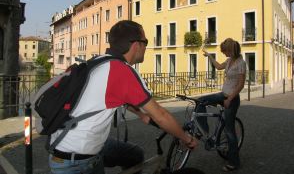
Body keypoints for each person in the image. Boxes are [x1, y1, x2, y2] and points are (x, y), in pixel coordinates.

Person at [48, 20, 198, 174]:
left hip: (62, 144)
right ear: (136, 45)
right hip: (77, 162)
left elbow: (114, 95)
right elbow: (160, 115)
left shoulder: (98, 61)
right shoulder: (121, 70)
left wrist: (140, 113)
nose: (146, 46)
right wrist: (186, 139)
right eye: (145, 42)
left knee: (134, 155)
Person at [196, 38, 246, 172]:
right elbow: (218, 66)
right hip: (223, 94)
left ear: (231, 50)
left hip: (232, 98)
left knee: (229, 132)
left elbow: (241, 85)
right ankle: (204, 131)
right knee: (200, 102)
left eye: (225, 51)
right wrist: (210, 57)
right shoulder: (229, 61)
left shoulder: (241, 63)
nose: (224, 53)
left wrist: (230, 98)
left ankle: (234, 162)